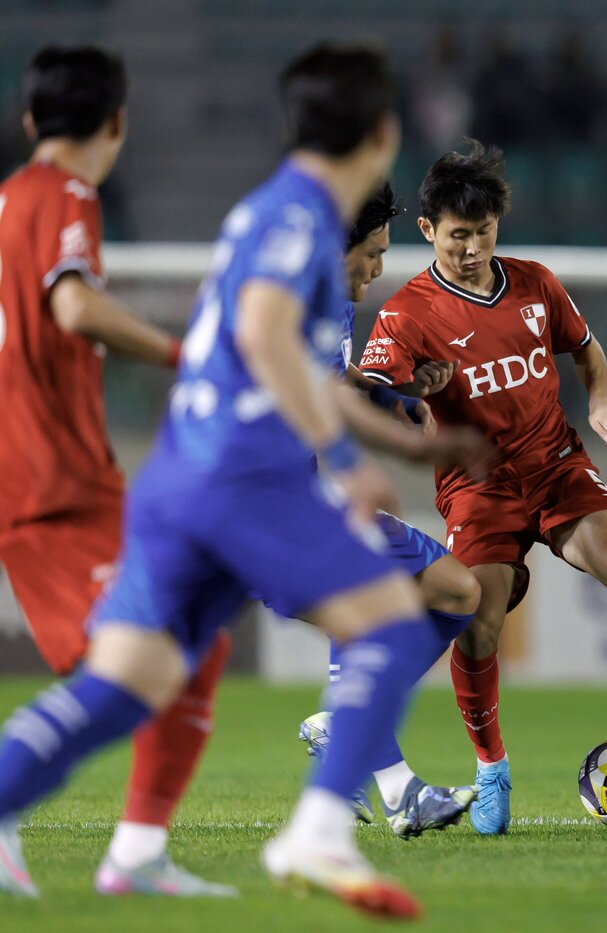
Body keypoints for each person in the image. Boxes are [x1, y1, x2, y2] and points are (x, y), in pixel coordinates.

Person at [0, 43, 490, 918]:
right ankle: (320, 830)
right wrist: (346, 463)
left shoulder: (264, 212)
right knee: (391, 613)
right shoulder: (302, 218)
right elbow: (264, 336)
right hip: (241, 477)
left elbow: (279, 355)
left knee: (123, 687)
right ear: (382, 136)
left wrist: (401, 444)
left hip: (174, 479)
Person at [359, 139, 607, 835]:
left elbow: (585, 347)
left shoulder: (535, 283)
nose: (471, 249)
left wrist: (600, 400)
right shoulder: (406, 312)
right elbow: (376, 392)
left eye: (482, 234)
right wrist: (414, 389)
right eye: (456, 237)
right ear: (426, 231)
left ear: (498, 225)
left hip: (555, 463)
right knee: (477, 617)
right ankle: (491, 765)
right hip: (479, 487)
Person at [0, 45, 234, 896]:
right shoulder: (67, 195)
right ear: (116, 124)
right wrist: (183, 351)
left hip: (43, 471)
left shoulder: (5, 202)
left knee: (189, 641)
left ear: (31, 120)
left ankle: (137, 851)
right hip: (49, 479)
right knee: (148, 651)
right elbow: (72, 303)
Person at [294, 181, 480, 838]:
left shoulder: (333, 306)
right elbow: (310, 401)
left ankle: (346, 736)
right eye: (370, 255)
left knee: (458, 590)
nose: (377, 270)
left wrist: (391, 393)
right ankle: (396, 789)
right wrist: (379, 447)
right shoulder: (295, 300)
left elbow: (335, 383)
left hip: (301, 499)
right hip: (272, 503)